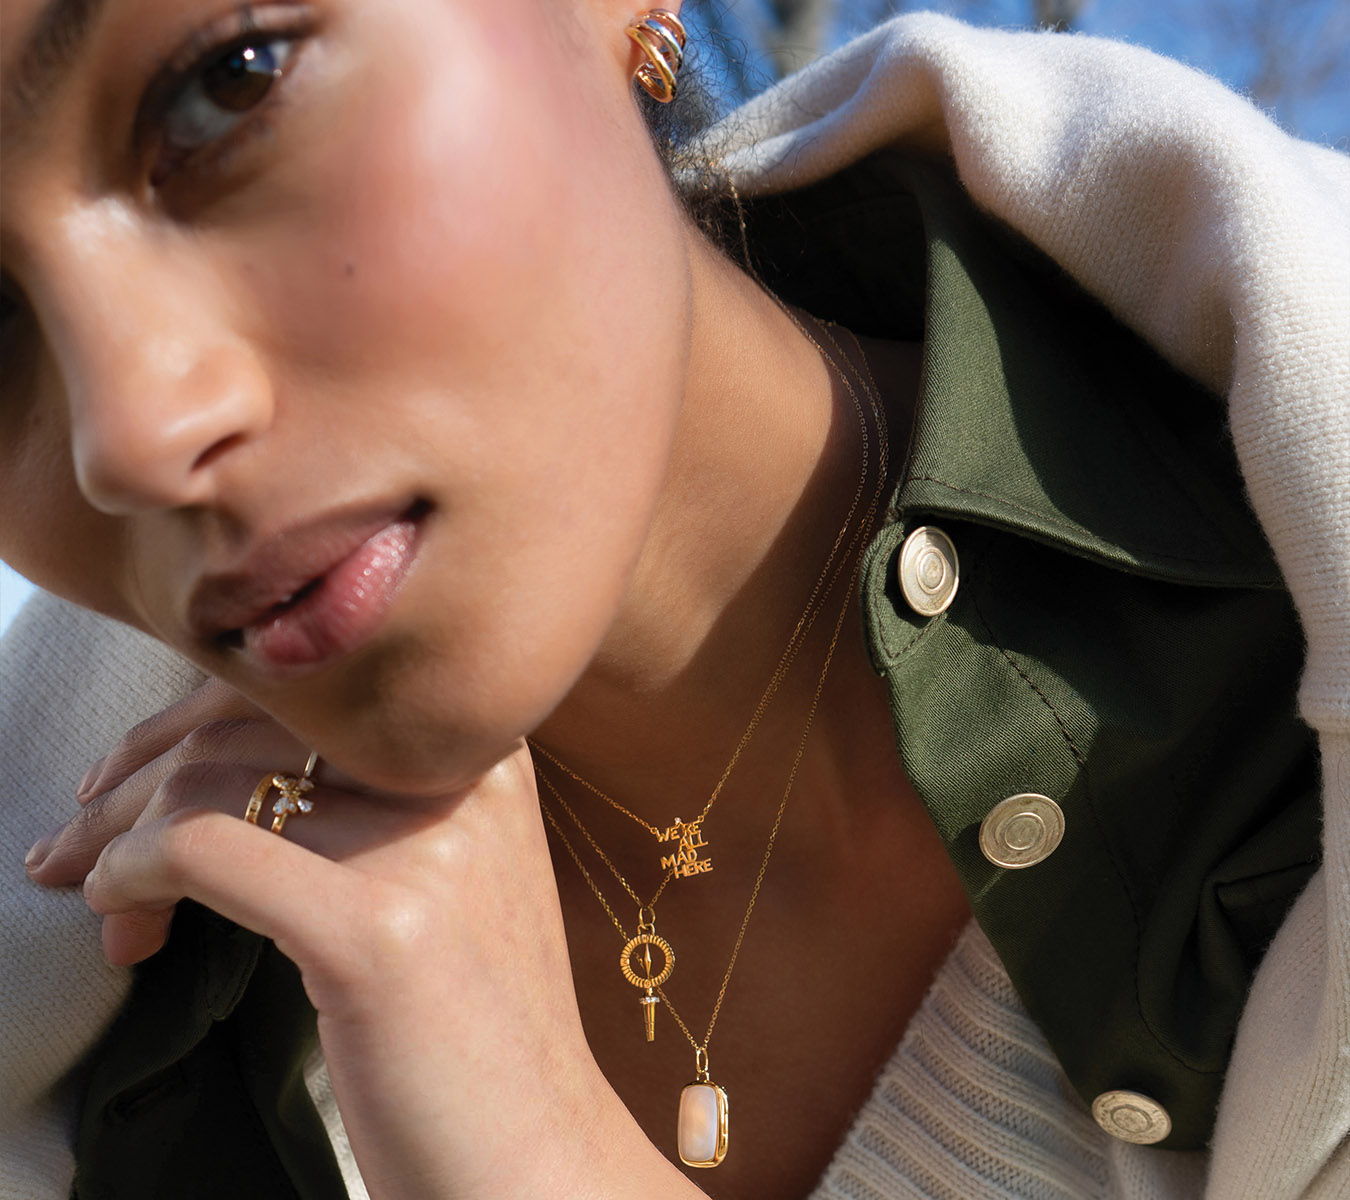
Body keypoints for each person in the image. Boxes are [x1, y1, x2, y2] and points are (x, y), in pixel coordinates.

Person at [1, 2, 1346, 1198]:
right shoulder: (138, 1037)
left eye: (228, 83)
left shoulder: (1271, 612)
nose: (128, 432)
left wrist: (539, 1150)